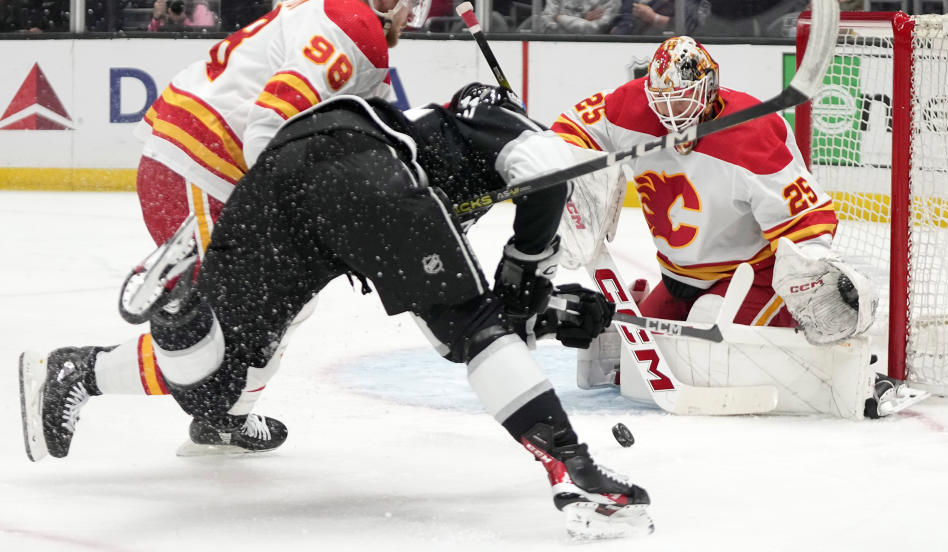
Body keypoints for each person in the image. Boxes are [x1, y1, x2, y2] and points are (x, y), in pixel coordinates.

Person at [119, 86, 652, 537]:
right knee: (475, 330)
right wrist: (528, 268)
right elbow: (548, 178)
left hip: (290, 162)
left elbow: (452, 314)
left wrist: (546, 314)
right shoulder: (493, 116)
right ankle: (573, 469)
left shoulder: (427, 181)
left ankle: (177, 309)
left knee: (215, 389)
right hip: (361, 153)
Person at [18, 0, 432, 462]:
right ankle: (80, 371)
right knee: (214, 348)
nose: (411, 17)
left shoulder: (330, 15)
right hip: (203, 169)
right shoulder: (357, 29)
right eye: (411, 0)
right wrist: (281, 214)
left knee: (286, 303)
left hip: (198, 162)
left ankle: (226, 416)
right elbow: (272, 119)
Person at [550, 35, 924, 419]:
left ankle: (858, 375)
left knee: (705, 346)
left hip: (750, 275)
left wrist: (813, 266)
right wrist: (562, 172)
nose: (670, 113)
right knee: (643, 352)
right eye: (660, 101)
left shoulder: (754, 133)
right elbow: (571, 129)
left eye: (680, 100)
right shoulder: (631, 105)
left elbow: (805, 216)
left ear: (708, 88)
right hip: (679, 274)